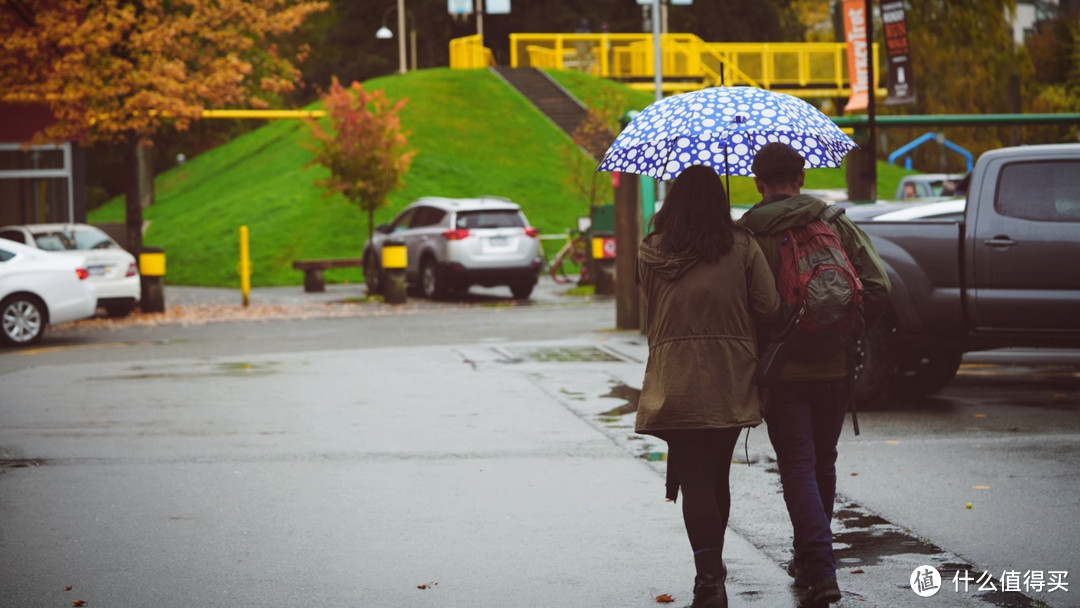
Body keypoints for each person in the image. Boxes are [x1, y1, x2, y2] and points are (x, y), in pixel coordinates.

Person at [736, 143, 891, 607]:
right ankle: (810, 560)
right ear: (801, 178)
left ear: (758, 183)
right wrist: (848, 329)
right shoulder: (834, 221)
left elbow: (743, 305)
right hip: (835, 364)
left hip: (782, 369)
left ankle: (820, 569)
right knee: (823, 462)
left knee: (798, 466)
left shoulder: (749, 233)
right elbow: (879, 285)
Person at [636, 165, 780, 608]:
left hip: (674, 376)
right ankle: (712, 577)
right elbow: (769, 306)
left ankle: (710, 580)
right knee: (716, 476)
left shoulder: (651, 250)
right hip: (729, 374)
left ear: (673, 204)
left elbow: (650, 305)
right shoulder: (741, 246)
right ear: (719, 203)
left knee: (696, 479)